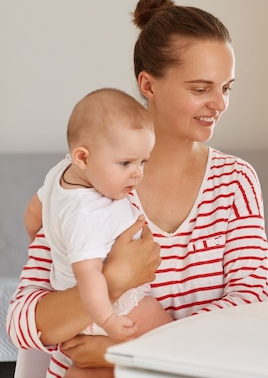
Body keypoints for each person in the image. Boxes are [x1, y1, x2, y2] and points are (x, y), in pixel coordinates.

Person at [7, 0, 268, 377]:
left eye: (226, 88)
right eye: (200, 89)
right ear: (148, 85)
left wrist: (125, 351)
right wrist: (113, 283)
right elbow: (22, 322)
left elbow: (251, 305)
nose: (220, 104)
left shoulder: (235, 182)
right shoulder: (83, 179)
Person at [23, 88, 173, 377]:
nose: (137, 174)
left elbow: (34, 211)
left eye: (143, 162)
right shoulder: (88, 214)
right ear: (83, 157)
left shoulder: (61, 172)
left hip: (81, 309)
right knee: (170, 338)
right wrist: (107, 319)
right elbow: (89, 275)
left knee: (90, 368)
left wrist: (40, 240)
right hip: (112, 305)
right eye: (125, 163)